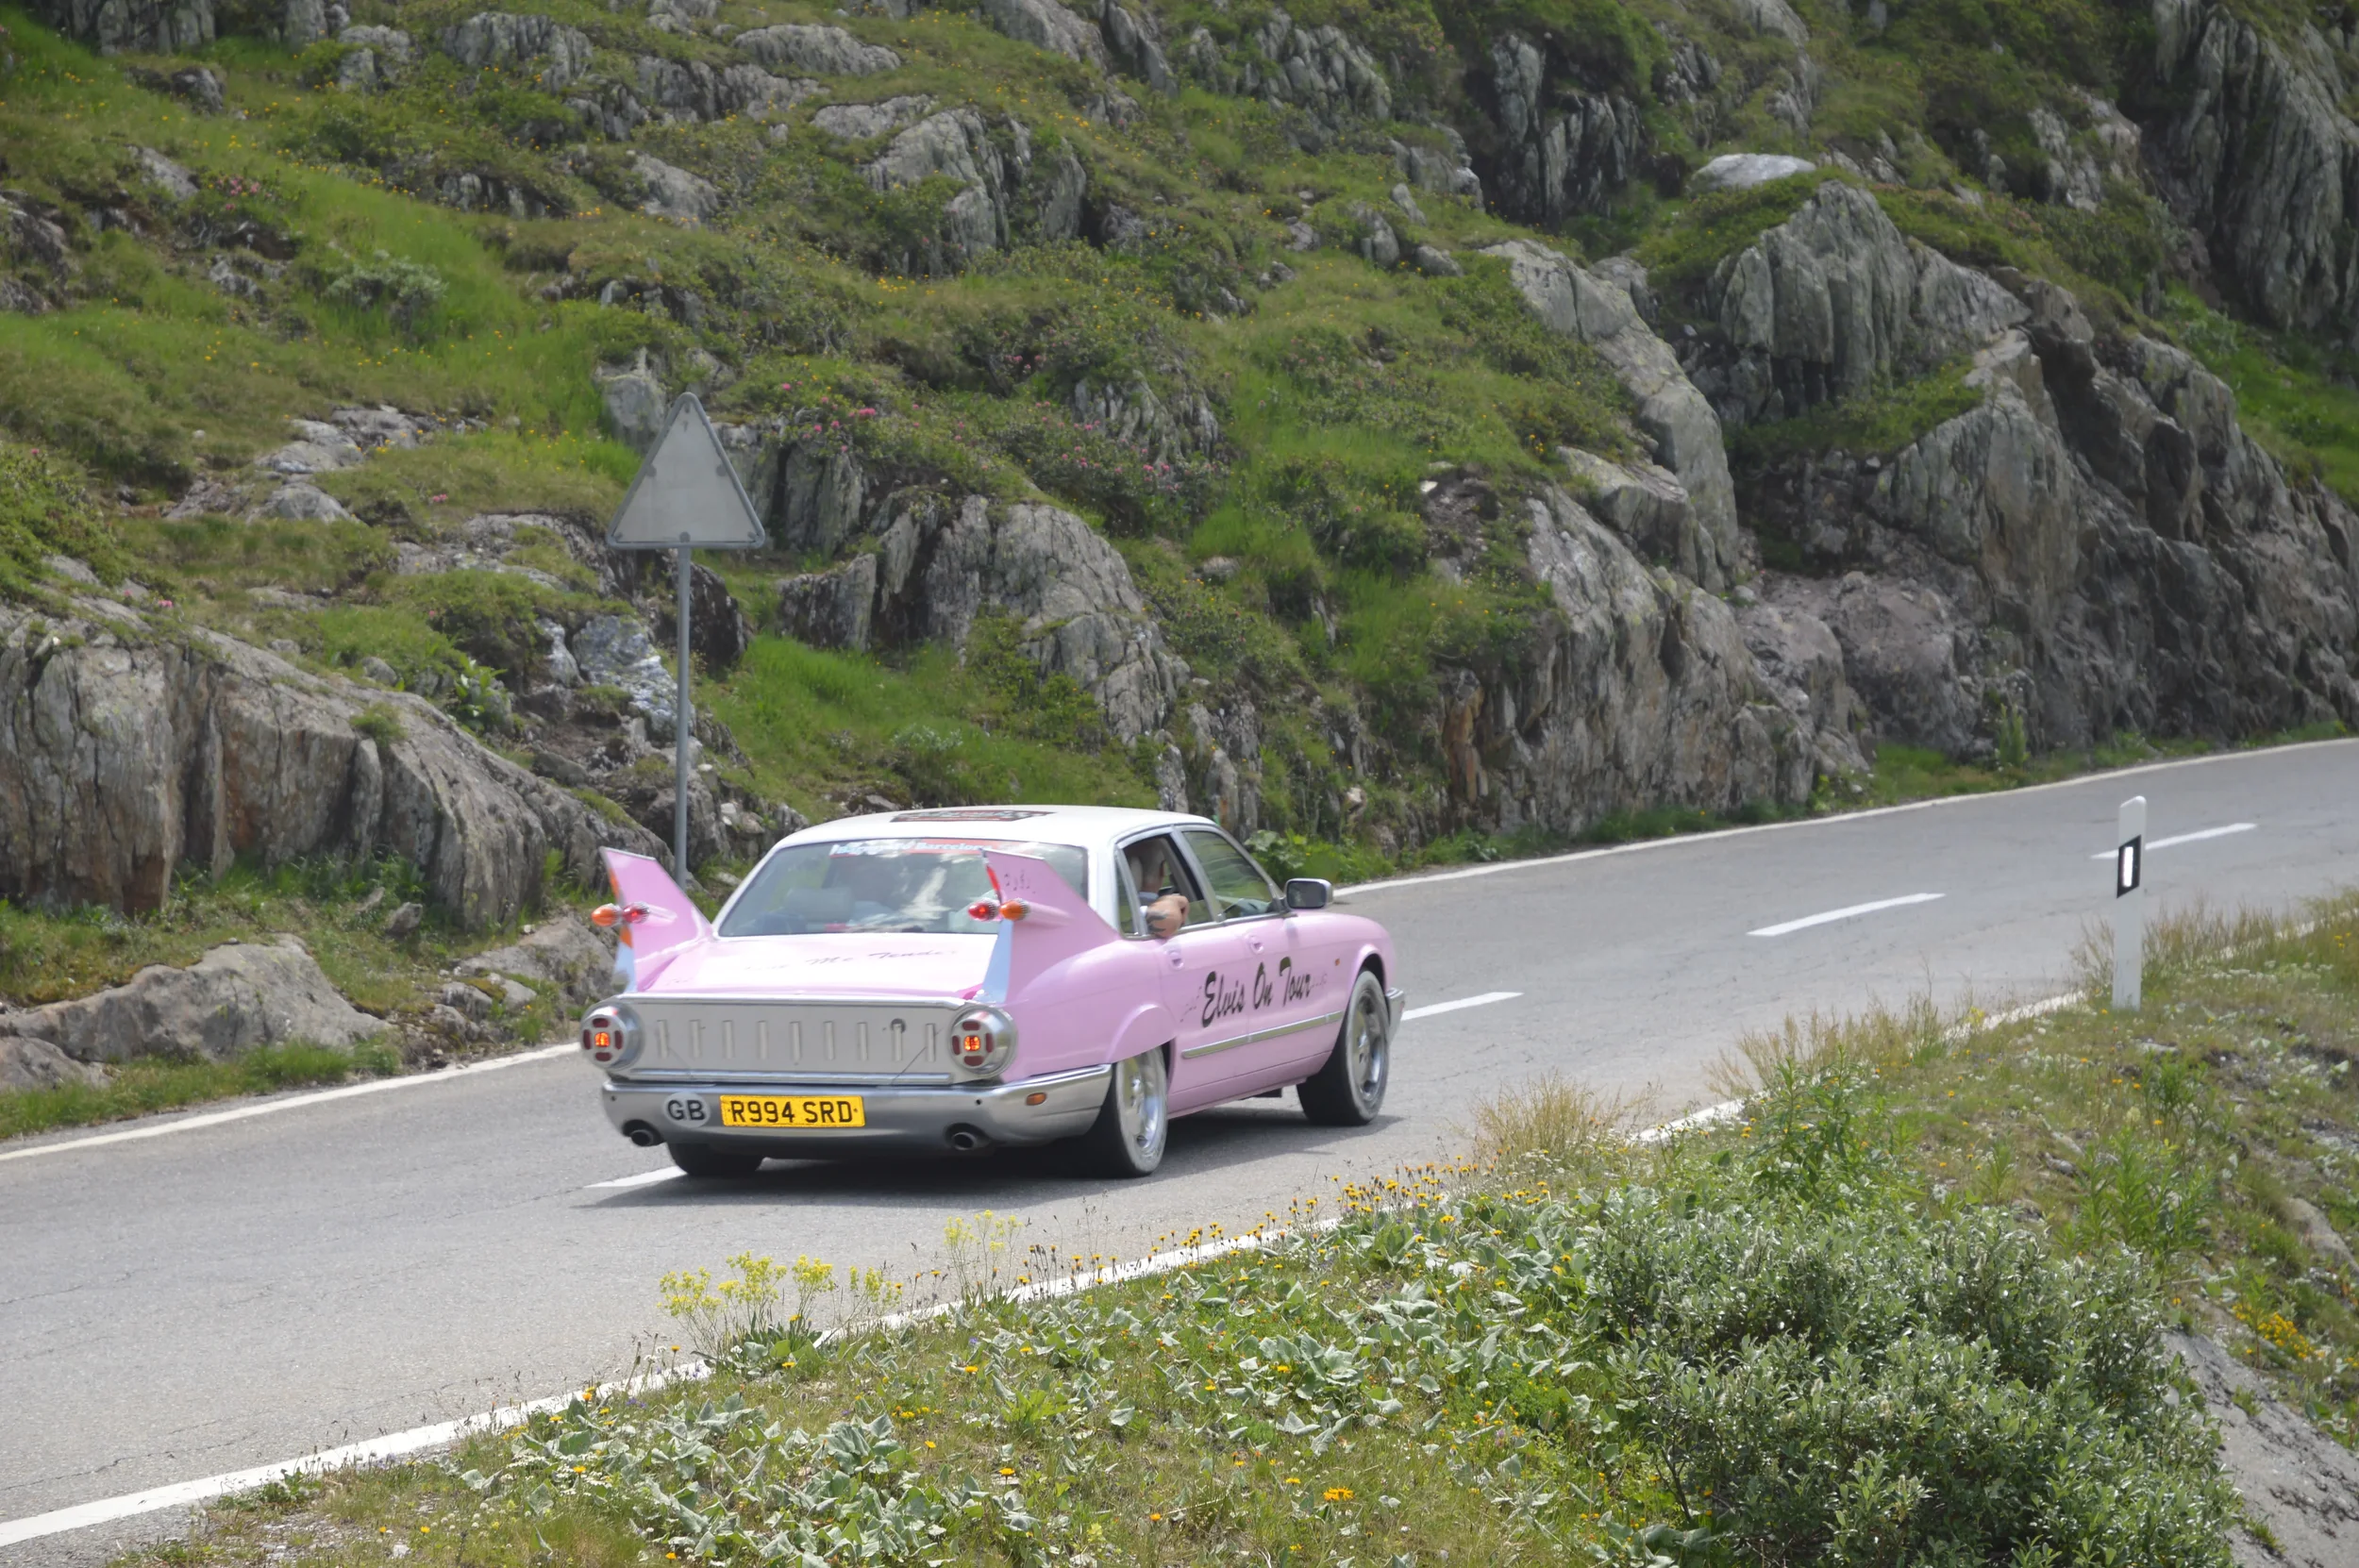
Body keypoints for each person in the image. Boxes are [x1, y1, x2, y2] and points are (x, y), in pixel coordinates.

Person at [1125, 841, 1193, 938]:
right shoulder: (1136, 912)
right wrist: (1172, 901)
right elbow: (1166, 923)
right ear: (1163, 870)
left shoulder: (1105, 910)